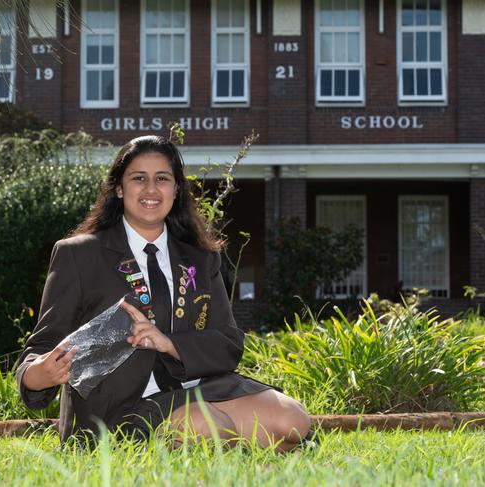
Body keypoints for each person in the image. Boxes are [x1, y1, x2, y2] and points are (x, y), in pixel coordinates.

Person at [16, 135, 311, 450]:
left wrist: (170, 344)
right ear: (119, 188)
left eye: (162, 179)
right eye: (138, 178)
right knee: (208, 425)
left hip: (198, 388)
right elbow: (40, 349)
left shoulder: (201, 257)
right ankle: (243, 451)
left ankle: (242, 448)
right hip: (117, 410)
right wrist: (38, 374)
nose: (151, 189)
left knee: (293, 419)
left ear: (176, 189)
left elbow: (228, 343)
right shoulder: (79, 254)